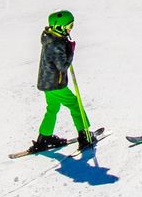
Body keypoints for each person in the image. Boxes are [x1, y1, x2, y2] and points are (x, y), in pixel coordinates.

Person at [25, 10, 93, 154]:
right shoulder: (56, 44)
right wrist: (70, 52)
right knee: (75, 105)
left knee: (52, 108)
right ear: (60, 27)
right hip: (55, 84)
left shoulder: (50, 38)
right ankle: (84, 135)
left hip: (46, 83)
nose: (70, 28)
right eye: (70, 26)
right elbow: (63, 66)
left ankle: (44, 138)